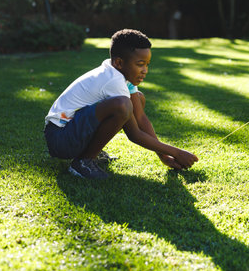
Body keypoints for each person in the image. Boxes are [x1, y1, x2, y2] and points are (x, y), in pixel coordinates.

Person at [44, 29, 198, 179]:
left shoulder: (121, 74)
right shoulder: (113, 80)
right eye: (140, 64)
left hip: (70, 132)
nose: (145, 70)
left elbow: (141, 118)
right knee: (123, 105)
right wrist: (177, 152)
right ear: (119, 62)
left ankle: (90, 153)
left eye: (147, 64)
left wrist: (164, 156)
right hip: (60, 138)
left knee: (138, 98)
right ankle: (83, 162)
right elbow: (134, 134)